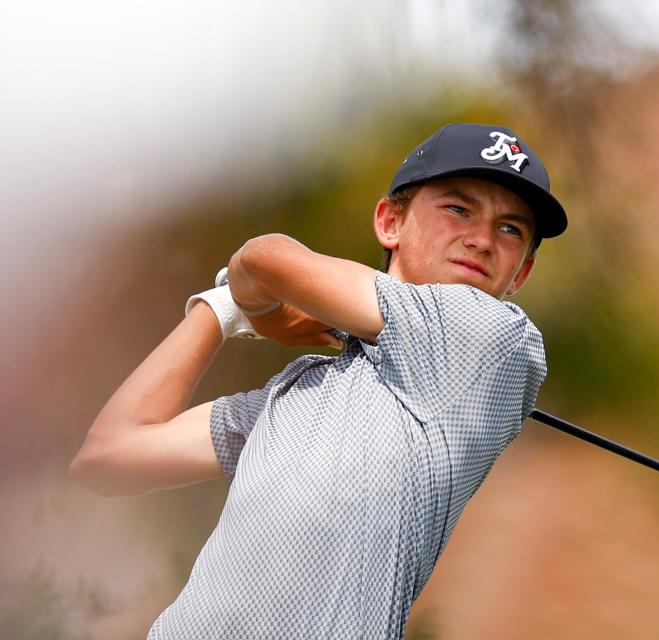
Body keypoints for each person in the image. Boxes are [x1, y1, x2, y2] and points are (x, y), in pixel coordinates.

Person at [70, 123, 568, 638]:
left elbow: (263, 258)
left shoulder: (499, 337)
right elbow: (108, 457)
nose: (483, 240)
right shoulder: (297, 390)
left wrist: (262, 309)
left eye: (510, 229)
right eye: (458, 209)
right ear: (390, 221)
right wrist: (221, 310)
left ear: (521, 273)